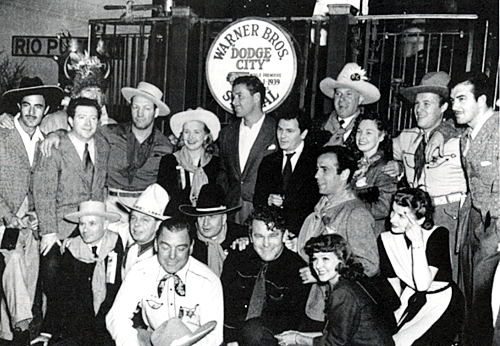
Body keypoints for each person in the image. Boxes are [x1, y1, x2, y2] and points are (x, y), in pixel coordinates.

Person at [33, 97, 110, 339]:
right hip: (62, 226)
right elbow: (43, 191)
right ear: (70, 121)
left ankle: (89, 330)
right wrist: (49, 232)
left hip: (92, 223)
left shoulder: (103, 145)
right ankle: (52, 332)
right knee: (54, 270)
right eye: (81, 117)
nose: (88, 123)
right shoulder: (54, 147)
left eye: (93, 118)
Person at [41, 81, 173, 222]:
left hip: (146, 209)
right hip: (111, 205)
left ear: (156, 112)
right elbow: (81, 132)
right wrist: (56, 134)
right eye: (135, 107)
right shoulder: (110, 133)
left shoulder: (165, 146)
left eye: (147, 108)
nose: (140, 113)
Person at [385, 71, 467, 281]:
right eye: (417, 104)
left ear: (444, 107)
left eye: (427, 104)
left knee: (449, 276)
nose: (419, 110)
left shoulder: (460, 139)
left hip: (448, 215)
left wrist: (445, 129)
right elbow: (380, 149)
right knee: (415, 271)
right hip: (415, 215)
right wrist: (397, 167)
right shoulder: (406, 138)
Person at [0, 77, 62, 345]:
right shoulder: (2, 135)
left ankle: (9, 332)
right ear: (18, 106)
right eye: (26, 105)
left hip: (30, 223)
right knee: (12, 261)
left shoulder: (47, 142)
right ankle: (24, 327)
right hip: (4, 221)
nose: (31, 112)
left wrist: (37, 214)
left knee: (31, 274)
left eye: (38, 107)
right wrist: (5, 214)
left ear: (46, 110)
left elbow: (48, 186)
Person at [106, 218, 223, 346]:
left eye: (180, 249)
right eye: (165, 247)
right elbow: (117, 315)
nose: (172, 256)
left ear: (191, 247)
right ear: (156, 245)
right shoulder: (140, 272)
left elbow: (213, 337)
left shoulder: (208, 281)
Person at [296, 145, 379, 324]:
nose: (317, 175)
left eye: (324, 170)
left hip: (337, 312)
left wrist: (321, 273)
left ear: (344, 174)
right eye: (317, 169)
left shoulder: (356, 213)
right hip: (314, 304)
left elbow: (370, 266)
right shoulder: (323, 206)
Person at [450, 72, 500, 346]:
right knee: (469, 294)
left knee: (485, 298)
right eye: (453, 99)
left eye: (461, 99)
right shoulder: (464, 137)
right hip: (473, 223)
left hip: (495, 227)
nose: (454, 106)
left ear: (482, 100)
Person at [378, 188, 464, 346]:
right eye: (392, 212)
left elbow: (423, 284)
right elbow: (394, 286)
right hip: (411, 299)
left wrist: (417, 243)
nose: (392, 219)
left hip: (442, 302)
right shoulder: (385, 239)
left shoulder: (437, 235)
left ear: (420, 219)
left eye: (401, 216)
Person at [276, 234, 395, 346]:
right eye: (314, 259)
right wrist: (297, 335)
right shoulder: (345, 283)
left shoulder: (343, 293)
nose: (317, 265)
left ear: (341, 260)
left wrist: (297, 339)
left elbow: (333, 343)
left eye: (325, 259)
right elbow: (333, 335)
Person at [36, 201, 123, 346]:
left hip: (107, 318)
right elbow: (60, 295)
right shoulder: (72, 249)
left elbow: (113, 288)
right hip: (78, 321)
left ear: (105, 224)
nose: (85, 230)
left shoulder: (114, 244)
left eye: (92, 223)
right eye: (82, 224)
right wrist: (47, 332)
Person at [221, 206, 309, 346]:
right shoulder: (237, 258)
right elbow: (225, 305)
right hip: (231, 340)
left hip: (273, 341)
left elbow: (291, 322)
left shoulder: (297, 270)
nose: (266, 244)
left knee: (254, 331)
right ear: (250, 236)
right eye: (259, 236)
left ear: (285, 235)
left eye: (273, 236)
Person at [0, 55, 115, 134]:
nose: (94, 96)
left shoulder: (112, 126)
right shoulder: (55, 121)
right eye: (88, 91)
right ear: (76, 95)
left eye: (99, 91)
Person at [219, 75, 278, 224]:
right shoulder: (227, 133)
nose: (234, 102)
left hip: (264, 212)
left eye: (240, 96)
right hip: (232, 211)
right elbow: (223, 173)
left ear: (256, 97)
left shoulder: (276, 130)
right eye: (233, 97)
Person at [253, 112, 320, 236]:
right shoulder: (268, 161)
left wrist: (286, 202)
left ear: (303, 134)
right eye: (280, 129)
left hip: (303, 233)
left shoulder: (316, 161)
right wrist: (268, 200)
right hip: (273, 233)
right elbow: (257, 198)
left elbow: (315, 201)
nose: (282, 136)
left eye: (289, 131)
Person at [157, 108, 221, 217]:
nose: (191, 137)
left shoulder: (215, 164)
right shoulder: (169, 161)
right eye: (187, 132)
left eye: (197, 132)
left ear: (205, 136)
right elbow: (162, 196)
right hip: (175, 220)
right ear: (182, 135)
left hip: (203, 221)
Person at [179, 183, 247, 276]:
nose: (205, 223)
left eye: (211, 217)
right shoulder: (188, 239)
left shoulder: (241, 237)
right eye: (201, 217)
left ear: (223, 218)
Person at [309, 63, 380, 150]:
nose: (342, 99)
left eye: (348, 94)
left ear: (360, 99)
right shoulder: (318, 124)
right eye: (338, 93)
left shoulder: (367, 127)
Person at [352, 111, 397, 237]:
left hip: (373, 233)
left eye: (368, 133)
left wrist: (350, 206)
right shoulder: (356, 164)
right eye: (359, 131)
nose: (361, 137)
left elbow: (384, 207)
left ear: (381, 136)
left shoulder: (385, 167)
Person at [115, 183, 170, 277]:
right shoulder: (126, 233)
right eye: (133, 218)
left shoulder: (163, 253)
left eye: (145, 220)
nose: (136, 224)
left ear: (158, 225)